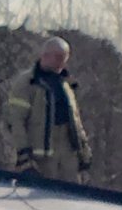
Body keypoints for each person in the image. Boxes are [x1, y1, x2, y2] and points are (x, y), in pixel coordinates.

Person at [7, 36, 92, 184]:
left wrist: (84, 154)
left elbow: (76, 123)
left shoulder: (66, 85)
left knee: (70, 200)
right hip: (40, 160)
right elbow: (16, 121)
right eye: (59, 57)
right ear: (45, 55)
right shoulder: (27, 83)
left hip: (68, 160)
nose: (62, 62)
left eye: (65, 58)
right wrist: (24, 156)